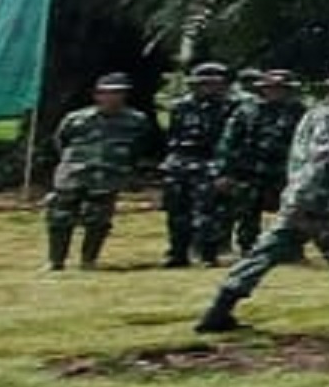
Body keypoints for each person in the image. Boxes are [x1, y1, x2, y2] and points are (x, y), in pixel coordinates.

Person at [199, 60, 329, 333]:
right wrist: (304, 203)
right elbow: (322, 163)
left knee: (263, 256)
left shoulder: (317, 113)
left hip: (309, 201)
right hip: (325, 204)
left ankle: (217, 313)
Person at [41, 71, 157, 270]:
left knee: (98, 220)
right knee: (60, 218)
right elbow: (60, 141)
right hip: (73, 175)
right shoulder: (77, 118)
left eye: (119, 93)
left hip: (108, 176)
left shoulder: (136, 121)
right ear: (97, 95)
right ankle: (55, 260)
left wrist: (126, 168)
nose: (113, 97)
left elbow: (140, 146)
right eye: (108, 93)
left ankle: (88, 260)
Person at [157, 58, 241, 267]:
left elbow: (234, 141)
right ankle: (177, 253)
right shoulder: (180, 107)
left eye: (214, 83)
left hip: (211, 163)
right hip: (180, 163)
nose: (208, 88)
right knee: (177, 212)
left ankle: (207, 254)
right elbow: (172, 136)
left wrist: (227, 170)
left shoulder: (233, 108)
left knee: (208, 212)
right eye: (203, 83)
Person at [223, 68, 303, 260]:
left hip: (286, 172)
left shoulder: (300, 111)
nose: (275, 91)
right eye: (271, 88)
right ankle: (248, 249)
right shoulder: (246, 110)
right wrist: (226, 170)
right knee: (247, 212)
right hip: (251, 170)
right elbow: (230, 140)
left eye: (281, 88)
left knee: (293, 212)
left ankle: (291, 250)